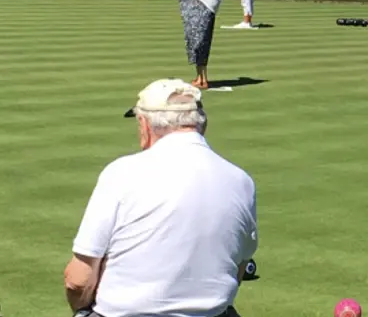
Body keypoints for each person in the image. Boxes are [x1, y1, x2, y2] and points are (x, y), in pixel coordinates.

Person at [64, 78, 258, 317]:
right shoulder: (241, 180)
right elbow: (239, 267)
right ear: (201, 125)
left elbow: (78, 280)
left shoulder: (121, 173)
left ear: (145, 124)